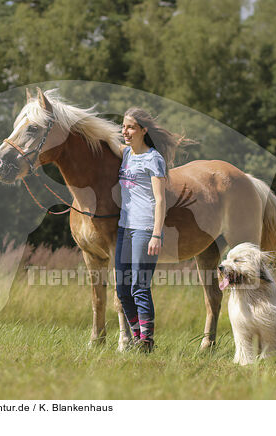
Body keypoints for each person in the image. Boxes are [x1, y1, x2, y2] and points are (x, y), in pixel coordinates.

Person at [107, 107, 178, 352]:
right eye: (123, 127)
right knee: (122, 289)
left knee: (139, 286)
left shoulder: (153, 158)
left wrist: (156, 234)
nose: (125, 131)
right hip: (124, 228)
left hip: (145, 228)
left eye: (130, 127)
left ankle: (147, 341)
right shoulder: (126, 154)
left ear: (143, 131)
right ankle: (138, 337)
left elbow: (160, 200)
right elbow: (103, 141)